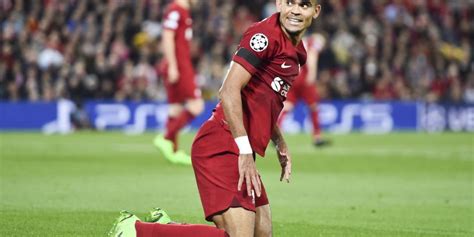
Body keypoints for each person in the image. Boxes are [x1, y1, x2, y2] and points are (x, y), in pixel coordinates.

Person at [109, 0, 321, 236]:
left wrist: (279, 141)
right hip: (221, 143)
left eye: (304, 5)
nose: (295, 10)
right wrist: (243, 151)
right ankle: (137, 230)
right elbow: (229, 91)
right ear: (279, 4)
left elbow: (264, 103)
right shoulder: (264, 35)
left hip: (238, 146)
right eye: (290, 2)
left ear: (316, 11)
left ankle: (167, 227)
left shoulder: (298, 53)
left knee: (263, 234)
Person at [154, 0, 204, 165]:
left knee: (175, 109)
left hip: (179, 65)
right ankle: (166, 137)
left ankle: (173, 152)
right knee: (196, 106)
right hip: (180, 66)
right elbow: (167, 37)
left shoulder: (183, 11)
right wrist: (173, 66)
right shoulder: (176, 10)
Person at [277, 32, 331, 147]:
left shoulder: (301, 42)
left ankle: (276, 134)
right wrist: (312, 74)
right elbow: (312, 56)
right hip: (304, 78)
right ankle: (317, 136)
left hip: (293, 76)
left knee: (287, 106)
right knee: (314, 107)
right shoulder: (315, 42)